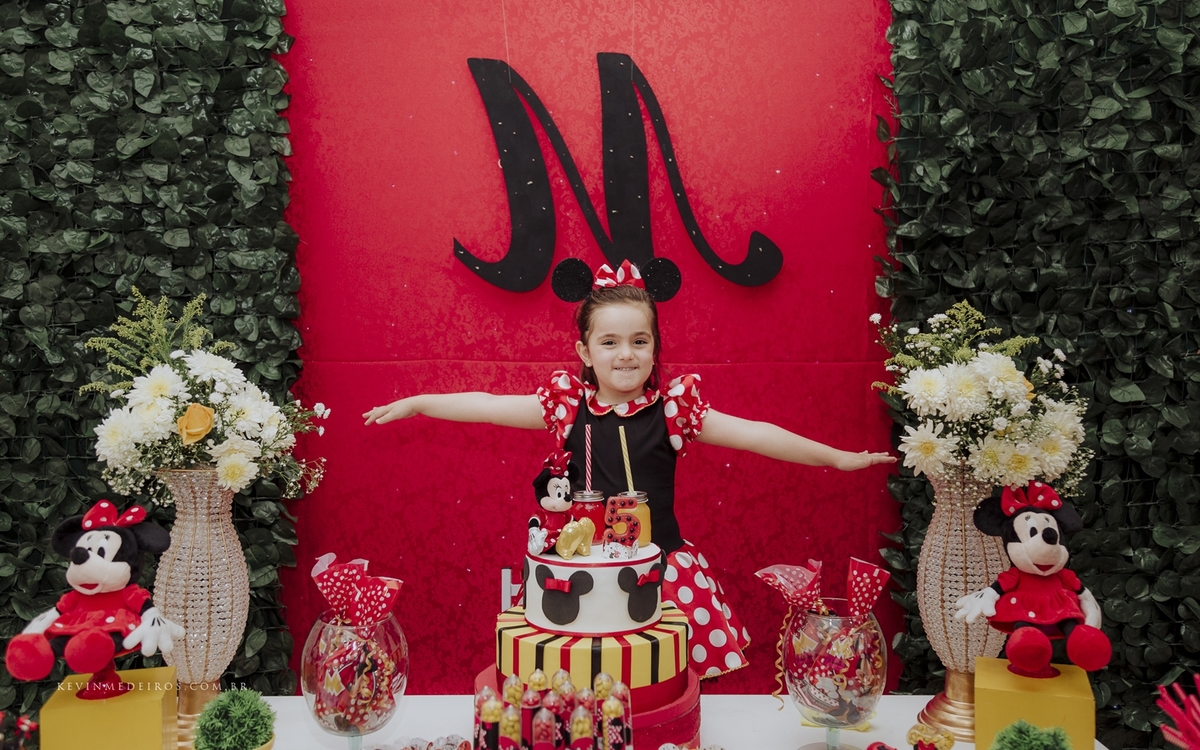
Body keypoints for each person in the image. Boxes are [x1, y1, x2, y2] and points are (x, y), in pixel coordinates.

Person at [363, 260, 895, 677]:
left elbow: (758, 435)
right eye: (610, 342)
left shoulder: (675, 412)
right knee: (581, 675)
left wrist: (836, 457)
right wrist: (419, 401)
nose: (626, 354)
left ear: (655, 346)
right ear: (584, 351)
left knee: (657, 678)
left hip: (661, 571)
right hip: (577, 572)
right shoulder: (564, 407)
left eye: (640, 341)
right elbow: (485, 404)